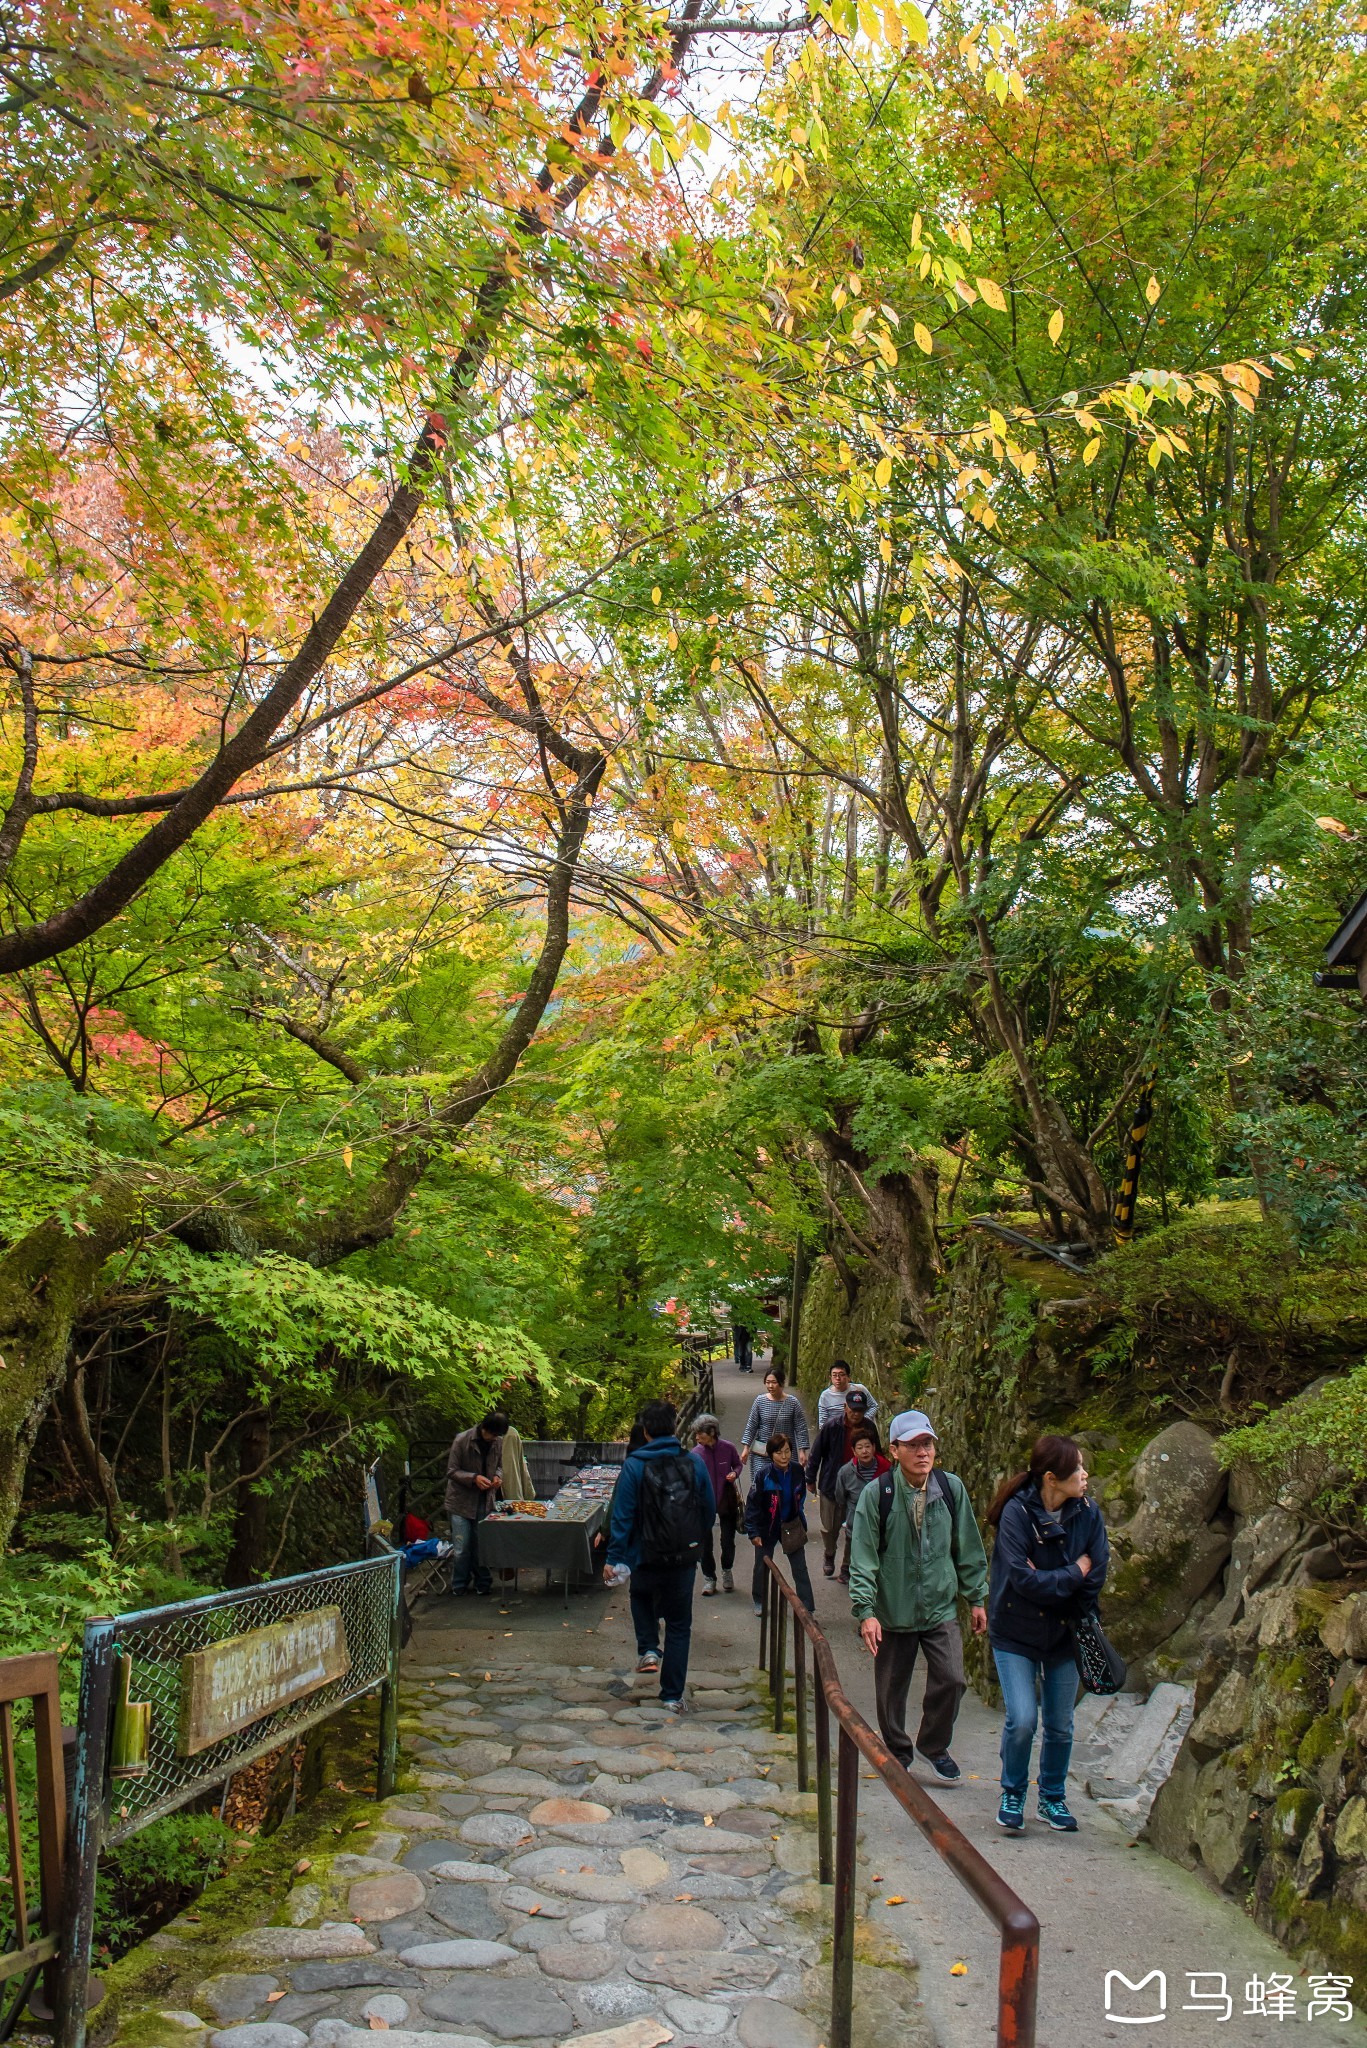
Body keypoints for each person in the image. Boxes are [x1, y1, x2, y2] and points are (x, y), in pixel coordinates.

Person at [848, 1408, 989, 1783]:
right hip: (892, 1608)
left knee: (953, 1678)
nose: (922, 1452)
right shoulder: (877, 1496)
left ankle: (933, 1745)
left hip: (939, 1605)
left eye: (927, 1443)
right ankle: (896, 1749)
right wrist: (866, 1611)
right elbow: (862, 1558)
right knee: (891, 1688)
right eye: (912, 1445)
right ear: (894, 1450)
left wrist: (976, 1597)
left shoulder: (949, 1488)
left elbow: (967, 1546)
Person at [986, 1435, 1110, 1834]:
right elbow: (1023, 1580)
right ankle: (1013, 1792)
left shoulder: (1088, 1512)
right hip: (1015, 1630)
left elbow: (1099, 1571)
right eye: (1078, 1469)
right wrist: (1074, 1573)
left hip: (1065, 1631)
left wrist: (1056, 1581)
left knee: (1060, 1723)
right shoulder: (1017, 1513)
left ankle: (1052, 1797)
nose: (1085, 1475)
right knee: (1022, 1719)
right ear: (1053, 1478)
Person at [604, 1398, 714, 1711]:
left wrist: (615, 1557)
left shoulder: (635, 1465)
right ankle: (672, 1696)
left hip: (646, 1555)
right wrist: (695, 1539)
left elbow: (622, 1516)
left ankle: (649, 1648)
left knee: (640, 1597)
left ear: (647, 1432)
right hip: (683, 1557)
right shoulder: (693, 1462)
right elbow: (708, 1507)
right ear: (674, 1427)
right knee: (680, 1625)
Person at [810, 1389, 881, 1579]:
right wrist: (810, 1478)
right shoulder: (832, 1426)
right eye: (852, 1409)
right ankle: (829, 1553)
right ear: (845, 1407)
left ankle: (846, 1566)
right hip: (832, 1483)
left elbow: (879, 1454)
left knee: (854, 1528)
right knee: (829, 1527)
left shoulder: (869, 1429)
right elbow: (817, 1452)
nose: (856, 1414)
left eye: (860, 1410)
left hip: (860, 1484)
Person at [744, 1433, 816, 1616]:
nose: (784, 1457)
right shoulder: (763, 1476)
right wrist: (753, 1532)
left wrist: (799, 1517)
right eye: (778, 1452)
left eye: (787, 1452)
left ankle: (807, 1608)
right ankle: (759, 1600)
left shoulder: (798, 1471)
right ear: (770, 1455)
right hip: (767, 1527)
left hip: (791, 1524)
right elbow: (752, 1505)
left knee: (800, 1567)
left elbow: (800, 1496)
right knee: (762, 1565)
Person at [445, 1410, 509, 1596]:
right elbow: (451, 1471)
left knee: (481, 1545)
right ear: (484, 1428)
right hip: (460, 1501)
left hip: (485, 1500)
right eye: (493, 1434)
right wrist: (474, 1478)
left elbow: (499, 1466)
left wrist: (497, 1477)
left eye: (498, 1435)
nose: (494, 1438)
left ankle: (483, 1582)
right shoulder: (462, 1440)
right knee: (462, 1546)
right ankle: (459, 1583)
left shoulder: (497, 1442)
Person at [690, 1413, 742, 1595]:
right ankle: (709, 1578)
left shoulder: (728, 1448)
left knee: (728, 1541)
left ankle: (727, 1569)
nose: (697, 1438)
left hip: (726, 1499)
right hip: (703, 1502)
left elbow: (738, 1465)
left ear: (712, 1432)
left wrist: (735, 1473)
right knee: (705, 1543)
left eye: (700, 1434)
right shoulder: (695, 1454)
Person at [833, 1424, 889, 1582]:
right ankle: (846, 1569)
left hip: (879, 1518)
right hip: (856, 1518)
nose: (864, 1451)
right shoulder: (845, 1472)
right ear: (853, 1451)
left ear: (874, 1447)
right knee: (852, 1545)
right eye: (860, 1448)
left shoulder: (886, 1469)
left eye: (867, 1446)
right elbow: (840, 1496)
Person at [739, 1367, 811, 1475]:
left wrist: (802, 1451)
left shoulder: (793, 1403)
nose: (770, 1386)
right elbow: (751, 1425)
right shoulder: (760, 1401)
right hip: (763, 1452)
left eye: (774, 1382)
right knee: (762, 1483)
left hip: (785, 1452)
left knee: (785, 1484)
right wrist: (746, 1448)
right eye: (767, 1382)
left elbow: (801, 1428)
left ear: (781, 1383)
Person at [816, 1359, 879, 1429]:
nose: (837, 1378)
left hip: (858, 1431)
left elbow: (874, 1406)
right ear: (830, 1377)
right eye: (834, 1375)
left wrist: (863, 1420)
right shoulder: (825, 1396)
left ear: (848, 1377)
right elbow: (822, 1423)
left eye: (841, 1375)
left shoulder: (859, 1389)